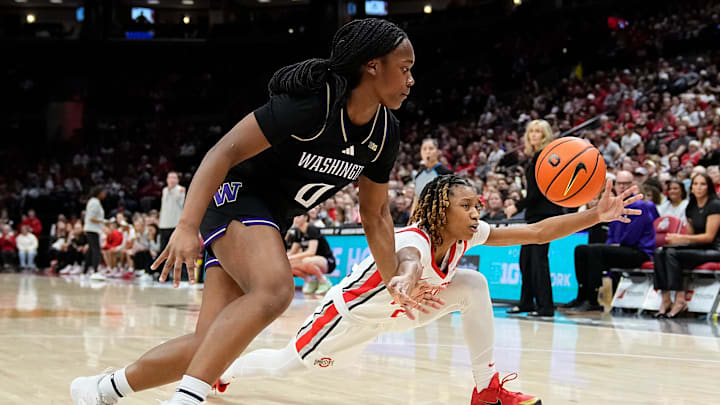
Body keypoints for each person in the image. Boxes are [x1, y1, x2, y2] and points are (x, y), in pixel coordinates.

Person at [71, 18, 421, 405]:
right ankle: (186, 400)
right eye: (404, 69)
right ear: (373, 65)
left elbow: (376, 216)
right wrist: (187, 226)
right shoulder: (313, 104)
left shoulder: (385, 132)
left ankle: (100, 389)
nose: (411, 80)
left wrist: (395, 285)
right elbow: (225, 151)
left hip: (270, 218)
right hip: (235, 197)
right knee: (275, 289)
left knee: (211, 347)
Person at [214, 174, 642, 405]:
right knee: (285, 367)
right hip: (348, 318)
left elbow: (535, 231)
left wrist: (593, 215)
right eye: (466, 206)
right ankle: (224, 374)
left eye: (478, 206)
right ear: (440, 210)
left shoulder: (466, 236)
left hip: (405, 310)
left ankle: (486, 387)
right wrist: (403, 277)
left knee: (473, 283)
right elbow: (409, 261)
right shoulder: (414, 239)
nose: (477, 213)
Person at [563, 170, 658, 312]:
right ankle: (581, 296)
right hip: (620, 248)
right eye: (620, 183)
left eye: (626, 184)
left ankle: (593, 300)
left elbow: (632, 236)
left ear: (632, 185)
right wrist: (611, 244)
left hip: (639, 251)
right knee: (581, 249)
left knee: (596, 251)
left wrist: (614, 245)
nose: (622, 187)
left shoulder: (640, 205)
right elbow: (611, 232)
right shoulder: (615, 204)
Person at [505, 120, 564, 317]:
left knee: (539, 261)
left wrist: (517, 205)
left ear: (545, 134)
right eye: (531, 132)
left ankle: (546, 306)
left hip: (545, 215)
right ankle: (527, 302)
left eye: (538, 132)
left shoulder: (545, 157)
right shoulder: (537, 157)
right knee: (526, 260)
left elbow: (539, 191)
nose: (534, 135)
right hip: (535, 215)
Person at [653, 173, 720, 318]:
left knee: (672, 254)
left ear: (709, 187)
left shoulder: (715, 205)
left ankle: (680, 299)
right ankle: (665, 299)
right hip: (698, 248)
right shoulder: (691, 206)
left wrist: (681, 237)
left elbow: (709, 237)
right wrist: (677, 240)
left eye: (702, 184)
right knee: (659, 251)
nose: (698, 187)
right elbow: (691, 237)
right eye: (695, 184)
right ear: (691, 188)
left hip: (714, 249)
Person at [287, 214, 336, 295]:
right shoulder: (297, 231)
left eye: (298, 217)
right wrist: (283, 258)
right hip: (311, 260)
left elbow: (311, 252)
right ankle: (310, 281)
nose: (296, 219)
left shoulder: (311, 229)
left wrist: (292, 257)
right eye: (295, 217)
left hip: (327, 261)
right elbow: (292, 252)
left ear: (306, 218)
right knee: (288, 264)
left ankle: (324, 281)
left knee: (307, 261)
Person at [410, 138, 452, 214]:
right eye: (424, 149)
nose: (427, 152)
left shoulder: (445, 173)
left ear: (438, 152)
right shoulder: (418, 175)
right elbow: (416, 199)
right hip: (421, 217)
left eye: (431, 148)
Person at [159, 172, 186, 254]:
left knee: (176, 249)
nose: (172, 180)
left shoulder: (181, 189)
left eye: (174, 178)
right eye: (170, 178)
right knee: (164, 249)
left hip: (175, 224)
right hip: (164, 224)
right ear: (167, 179)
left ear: (178, 180)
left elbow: (181, 203)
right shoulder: (164, 190)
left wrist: (172, 190)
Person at [83, 187, 107, 275]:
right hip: (92, 229)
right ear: (99, 193)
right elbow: (92, 218)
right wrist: (104, 221)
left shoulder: (94, 201)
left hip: (92, 229)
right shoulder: (94, 202)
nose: (105, 194)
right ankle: (95, 270)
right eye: (103, 192)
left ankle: (85, 270)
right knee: (96, 250)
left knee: (90, 250)